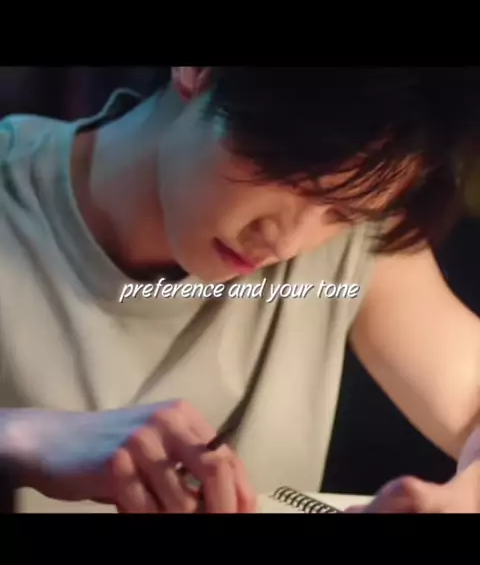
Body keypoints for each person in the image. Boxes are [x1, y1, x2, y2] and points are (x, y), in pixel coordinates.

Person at [1, 67, 479, 514]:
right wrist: (22, 438)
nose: (286, 243)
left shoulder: (356, 245)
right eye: (290, 175)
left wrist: (461, 499)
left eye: (342, 213)